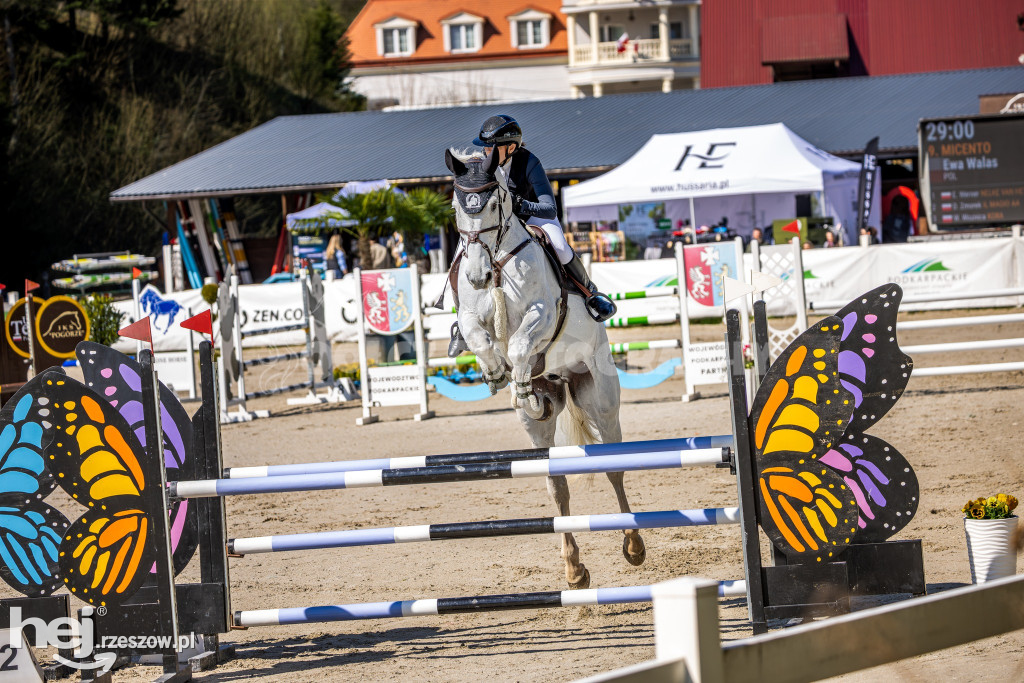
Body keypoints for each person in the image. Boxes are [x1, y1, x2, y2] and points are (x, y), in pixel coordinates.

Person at [449, 114, 616, 356]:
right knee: (463, 251)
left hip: (532, 218)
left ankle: (589, 292)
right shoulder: (482, 165)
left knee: (559, 245)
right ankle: (460, 321)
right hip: (496, 225)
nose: (486, 152)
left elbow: (549, 208)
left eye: (491, 147)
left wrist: (521, 205)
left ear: (511, 147)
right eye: (485, 146)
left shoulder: (529, 163)